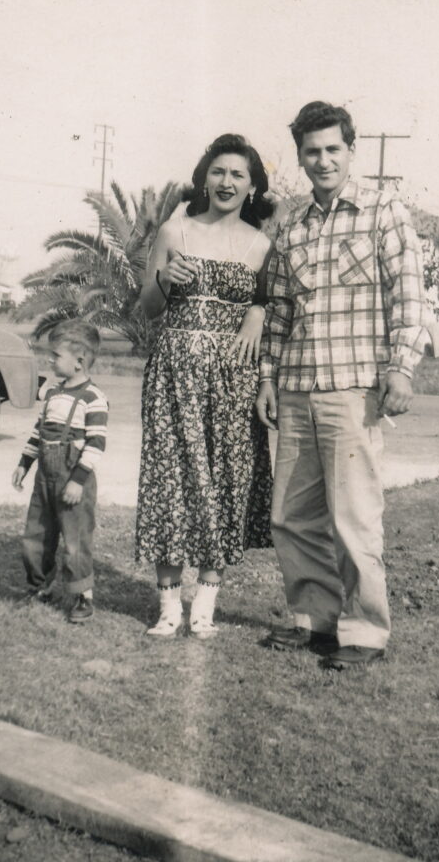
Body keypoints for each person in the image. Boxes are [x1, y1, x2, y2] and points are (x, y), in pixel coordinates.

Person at [256, 101, 428, 670]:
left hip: (354, 391)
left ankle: (364, 632)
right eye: (312, 151)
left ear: (351, 150)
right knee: (291, 515)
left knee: (353, 517)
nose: (323, 160)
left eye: (333, 149)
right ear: (300, 157)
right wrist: (268, 379)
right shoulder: (292, 221)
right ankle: (314, 619)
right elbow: (279, 309)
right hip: (297, 387)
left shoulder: (385, 213)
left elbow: (408, 297)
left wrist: (400, 367)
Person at [136, 133, 273, 639]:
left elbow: (271, 307)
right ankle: (169, 606)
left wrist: (257, 310)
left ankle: (206, 604)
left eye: (239, 174)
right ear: (204, 177)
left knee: (226, 482)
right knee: (168, 480)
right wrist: (166, 278)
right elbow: (149, 308)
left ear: (253, 186)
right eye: (219, 172)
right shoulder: (176, 230)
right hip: (174, 372)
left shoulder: (262, 245)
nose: (227, 182)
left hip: (233, 381)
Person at [12, 320, 109, 624]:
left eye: (55, 356)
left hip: (73, 479)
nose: (50, 360)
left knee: (75, 539)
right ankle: (40, 587)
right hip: (45, 478)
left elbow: (95, 444)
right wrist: (24, 464)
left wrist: (78, 481)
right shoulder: (53, 394)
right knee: (36, 534)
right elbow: (38, 433)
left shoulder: (94, 398)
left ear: (79, 362)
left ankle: (83, 596)